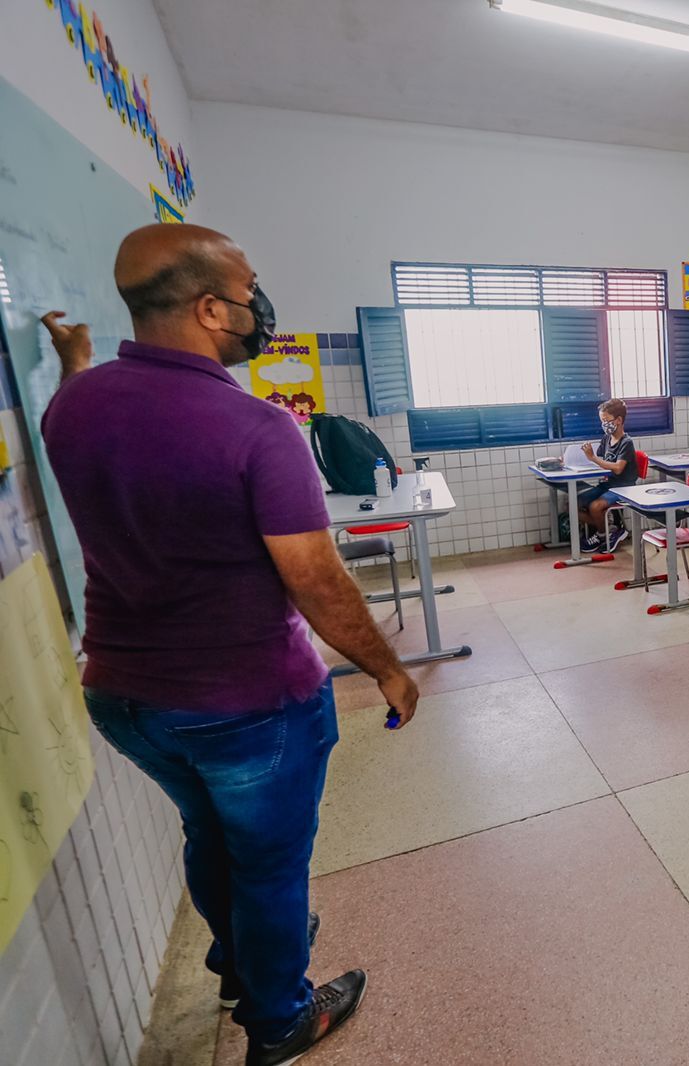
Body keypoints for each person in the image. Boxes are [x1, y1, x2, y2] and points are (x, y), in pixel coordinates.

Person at [40, 224, 414, 1066]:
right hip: (247, 704)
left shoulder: (74, 405)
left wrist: (74, 359)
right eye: (250, 290)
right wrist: (387, 667)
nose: (260, 305)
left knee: (208, 836)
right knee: (272, 864)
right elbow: (315, 580)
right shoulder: (256, 427)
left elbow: (76, 407)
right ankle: (280, 1017)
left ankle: (240, 967)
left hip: (123, 700)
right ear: (211, 309)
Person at [577, 398, 639, 553]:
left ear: (618, 420)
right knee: (573, 503)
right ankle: (611, 530)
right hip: (606, 485)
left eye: (606, 420)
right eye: (602, 421)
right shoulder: (606, 439)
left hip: (623, 487)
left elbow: (618, 468)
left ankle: (602, 534)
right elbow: (598, 461)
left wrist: (593, 458)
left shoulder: (626, 442)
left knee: (595, 506)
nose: (604, 424)